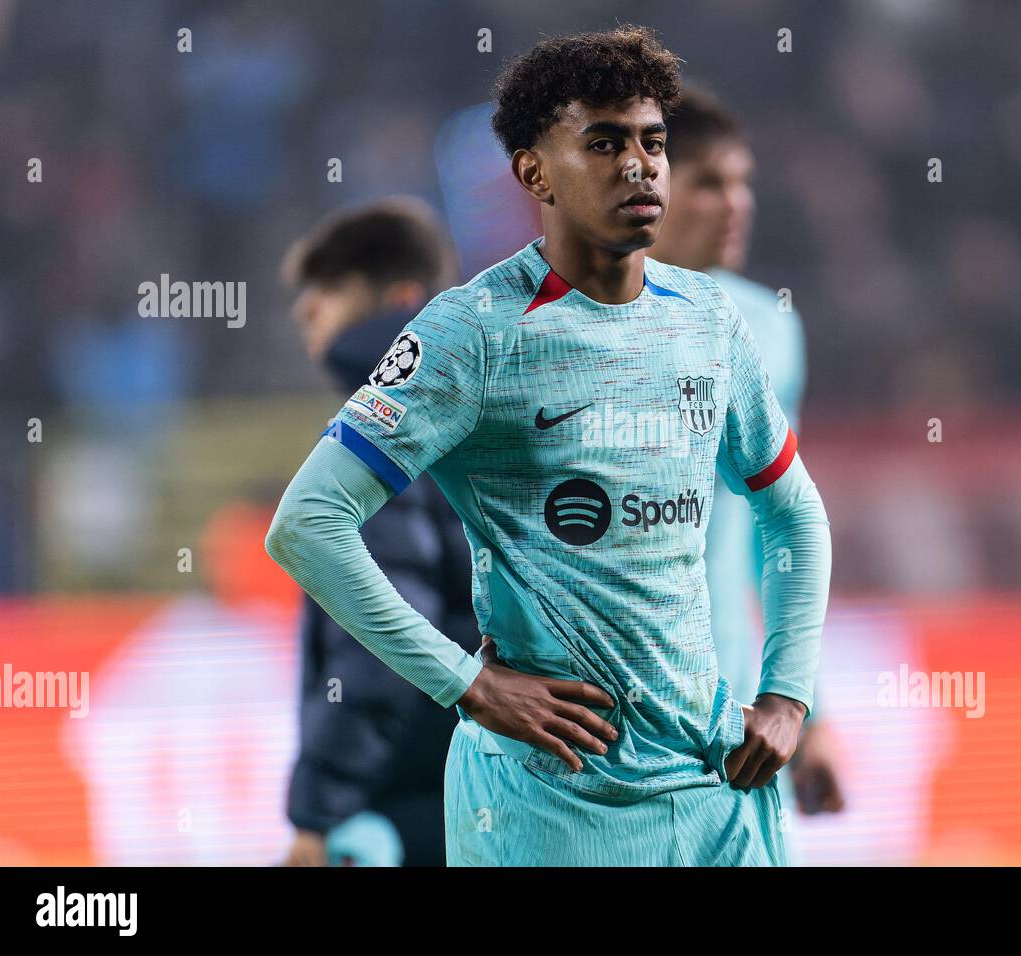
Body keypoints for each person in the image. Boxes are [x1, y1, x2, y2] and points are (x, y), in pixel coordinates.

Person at [266, 24, 831, 866]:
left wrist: (788, 698)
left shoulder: (710, 322)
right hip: (547, 803)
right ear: (534, 171)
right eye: (602, 143)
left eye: (652, 142)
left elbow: (795, 514)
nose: (638, 165)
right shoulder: (472, 334)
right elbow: (307, 523)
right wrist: (468, 684)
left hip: (713, 790)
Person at [648, 87, 847, 861]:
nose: (736, 204)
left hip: (734, 709)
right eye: (708, 182)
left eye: (742, 182)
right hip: (603, 716)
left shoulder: (768, 326)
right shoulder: (554, 325)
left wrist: (809, 709)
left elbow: (782, 535)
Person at [277, 198, 480, 866]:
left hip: (414, 814)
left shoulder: (388, 423)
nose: (307, 309)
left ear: (402, 299)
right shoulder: (472, 406)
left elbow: (381, 644)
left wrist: (318, 815)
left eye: (331, 288)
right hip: (477, 793)